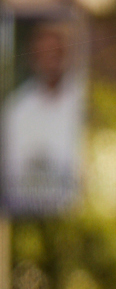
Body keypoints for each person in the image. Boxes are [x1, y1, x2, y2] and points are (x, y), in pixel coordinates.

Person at [3, 22, 84, 214]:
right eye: (44, 52)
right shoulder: (17, 108)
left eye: (56, 51)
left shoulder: (81, 101)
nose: (51, 59)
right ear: (33, 59)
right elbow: (14, 172)